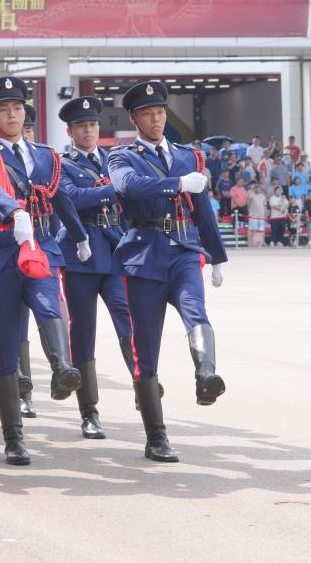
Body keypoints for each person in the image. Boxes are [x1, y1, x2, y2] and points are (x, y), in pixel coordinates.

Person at [0, 76, 89, 465]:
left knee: (50, 303)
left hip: (41, 249)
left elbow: (59, 196)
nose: (12, 114)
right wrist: (12, 210)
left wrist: (80, 236)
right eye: (3, 109)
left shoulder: (46, 154)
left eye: (17, 107)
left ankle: (62, 368)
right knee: (4, 346)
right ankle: (13, 437)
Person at [108, 80, 227, 463]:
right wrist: (176, 182)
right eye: (148, 113)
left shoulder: (188, 156)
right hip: (143, 258)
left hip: (185, 252)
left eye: (160, 112)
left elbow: (202, 209)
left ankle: (206, 375)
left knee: (196, 309)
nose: (156, 119)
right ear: (134, 118)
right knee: (146, 349)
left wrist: (218, 255)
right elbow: (130, 187)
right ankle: (156, 436)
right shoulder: (121, 157)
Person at [56, 95, 138, 438]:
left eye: (92, 124)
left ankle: (142, 384)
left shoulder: (112, 159)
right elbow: (70, 197)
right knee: (83, 331)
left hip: (114, 250)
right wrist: (108, 191)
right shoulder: (61, 164)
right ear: (71, 131)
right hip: (80, 255)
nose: (88, 130)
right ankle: (89, 411)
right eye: (81, 126)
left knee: (128, 319)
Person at [247, 182, 267, 247]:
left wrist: (265, 214)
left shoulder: (263, 196)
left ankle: (262, 242)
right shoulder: (251, 195)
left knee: (262, 230)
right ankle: (250, 243)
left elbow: (265, 206)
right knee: (252, 229)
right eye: (257, 188)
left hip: (261, 216)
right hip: (253, 215)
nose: (258, 189)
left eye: (259, 188)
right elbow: (248, 202)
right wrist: (253, 190)